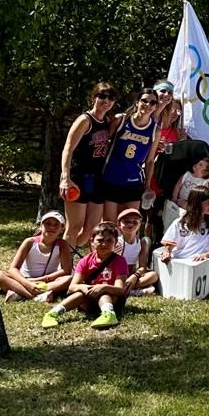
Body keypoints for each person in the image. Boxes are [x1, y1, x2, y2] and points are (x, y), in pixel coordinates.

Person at [60, 81, 121, 249]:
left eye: (110, 97)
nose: (106, 100)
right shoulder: (84, 120)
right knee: (74, 226)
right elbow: (68, 148)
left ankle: (69, 254)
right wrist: (65, 177)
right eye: (102, 96)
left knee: (91, 230)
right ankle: (62, 265)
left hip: (97, 179)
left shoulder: (107, 122)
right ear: (93, 98)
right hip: (79, 177)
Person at [40, 223, 130, 329]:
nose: (104, 244)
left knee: (104, 294)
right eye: (100, 240)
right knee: (80, 293)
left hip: (113, 299)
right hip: (90, 298)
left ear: (115, 243)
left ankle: (109, 314)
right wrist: (83, 287)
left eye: (109, 241)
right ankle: (53, 314)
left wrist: (103, 287)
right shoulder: (85, 261)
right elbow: (72, 286)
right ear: (92, 241)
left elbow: (120, 289)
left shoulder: (119, 261)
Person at [100, 89, 160, 221]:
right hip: (112, 178)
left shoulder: (155, 130)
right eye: (144, 100)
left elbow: (150, 161)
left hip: (133, 181)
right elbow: (104, 145)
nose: (148, 105)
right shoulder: (121, 120)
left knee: (130, 224)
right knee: (109, 224)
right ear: (137, 102)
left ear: (156, 106)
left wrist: (147, 185)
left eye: (152, 102)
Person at [0, 211, 74, 302]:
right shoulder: (29, 242)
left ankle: (20, 293)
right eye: (48, 223)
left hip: (47, 282)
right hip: (25, 279)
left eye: (56, 225)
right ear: (41, 226)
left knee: (69, 279)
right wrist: (27, 283)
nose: (51, 227)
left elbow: (66, 270)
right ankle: (35, 296)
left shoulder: (62, 245)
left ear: (62, 229)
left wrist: (41, 279)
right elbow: (13, 269)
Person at [159, 187, 209, 267]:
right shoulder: (180, 223)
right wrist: (166, 252)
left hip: (199, 262)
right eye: (208, 202)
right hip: (180, 261)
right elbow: (169, 245)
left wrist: (206, 255)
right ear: (197, 203)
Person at [113, 208, 158, 295]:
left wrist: (135, 276)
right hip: (117, 275)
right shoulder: (117, 242)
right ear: (119, 225)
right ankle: (128, 289)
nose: (131, 224)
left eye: (135, 222)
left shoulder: (142, 242)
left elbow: (142, 267)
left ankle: (126, 289)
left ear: (140, 224)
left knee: (153, 275)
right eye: (126, 222)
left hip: (131, 274)